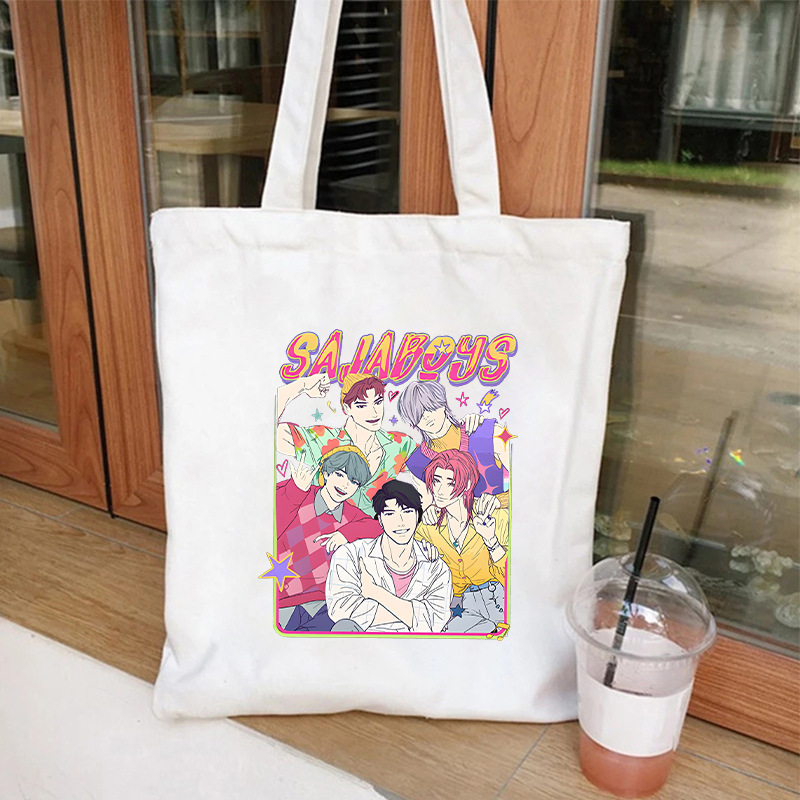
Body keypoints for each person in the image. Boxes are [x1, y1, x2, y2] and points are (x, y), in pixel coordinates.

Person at [277, 372, 416, 514]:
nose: (374, 412)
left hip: (372, 526)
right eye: (362, 405)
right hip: (319, 523)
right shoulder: (324, 440)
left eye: (378, 402)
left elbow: (428, 470)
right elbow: (272, 434)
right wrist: (302, 385)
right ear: (347, 408)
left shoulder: (399, 445)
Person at [276, 445, 381, 632]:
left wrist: (346, 534)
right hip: (282, 600)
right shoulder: (297, 493)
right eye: (340, 475)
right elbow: (268, 522)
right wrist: (295, 491)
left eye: (354, 481)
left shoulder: (352, 516)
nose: (345, 485)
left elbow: (378, 528)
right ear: (325, 473)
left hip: (323, 605)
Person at [326, 480, 452, 633]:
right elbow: (341, 611)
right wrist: (413, 615)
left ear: (417, 515)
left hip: (416, 643)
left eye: (407, 512)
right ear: (380, 519)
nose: (400, 522)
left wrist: (375, 592)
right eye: (390, 514)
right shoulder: (350, 555)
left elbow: (436, 621)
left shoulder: (436, 566)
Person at [414, 449, 509, 634]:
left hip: (499, 596)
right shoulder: (427, 528)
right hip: (461, 606)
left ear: (467, 485)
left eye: (450, 483)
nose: (440, 490)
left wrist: (491, 541)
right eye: (436, 481)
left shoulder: (494, 516)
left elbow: (513, 577)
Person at [398, 381, 509, 501]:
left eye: (430, 408)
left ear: (442, 404)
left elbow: (520, 478)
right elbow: (429, 506)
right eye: (418, 415)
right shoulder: (417, 463)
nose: (426, 417)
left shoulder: (487, 433)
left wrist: (500, 502)